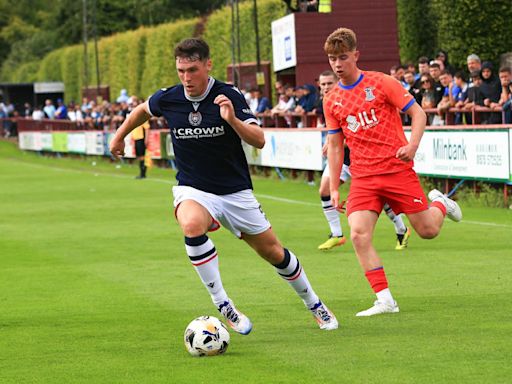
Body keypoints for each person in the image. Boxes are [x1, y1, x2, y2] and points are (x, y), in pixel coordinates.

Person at [109, 37, 338, 332]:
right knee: (191, 225)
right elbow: (142, 110)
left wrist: (231, 119)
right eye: (181, 71)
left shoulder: (228, 95)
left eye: (192, 70)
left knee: (274, 253)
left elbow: (259, 140)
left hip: (235, 192)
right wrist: (119, 135)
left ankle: (315, 304)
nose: (186, 78)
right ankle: (223, 304)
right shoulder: (170, 97)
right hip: (193, 189)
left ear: (208, 65)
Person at [323, 27, 462, 317]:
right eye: (332, 58)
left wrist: (412, 145)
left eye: (343, 57)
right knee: (359, 235)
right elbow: (335, 145)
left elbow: (419, 113)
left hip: (396, 169)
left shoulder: (382, 82)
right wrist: (335, 185)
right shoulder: (331, 99)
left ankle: (440, 203)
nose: (337, 64)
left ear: (356, 55)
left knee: (428, 231)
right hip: (363, 177)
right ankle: (385, 299)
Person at [315, 70, 411, 251]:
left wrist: (336, 143)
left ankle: (402, 228)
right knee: (324, 189)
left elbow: (356, 130)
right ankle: (336, 234)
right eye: (323, 84)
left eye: (329, 83)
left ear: (337, 81)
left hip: (361, 159)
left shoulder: (349, 97)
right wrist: (331, 141)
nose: (326, 87)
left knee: (383, 199)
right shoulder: (327, 102)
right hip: (341, 160)